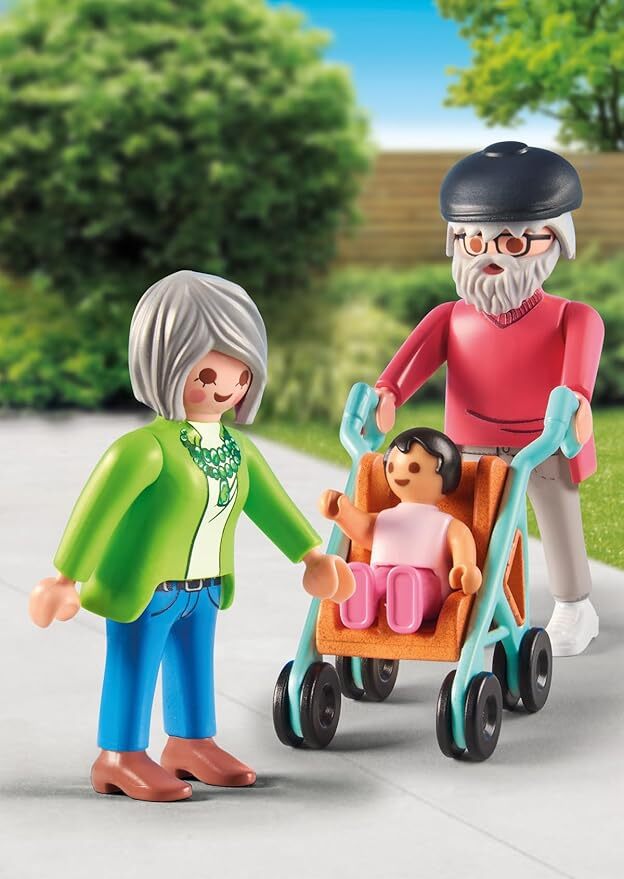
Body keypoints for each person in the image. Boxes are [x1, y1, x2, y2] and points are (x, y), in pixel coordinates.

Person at [28, 270, 353, 802]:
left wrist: (311, 556)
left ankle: (191, 742)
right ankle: (119, 755)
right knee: (134, 666)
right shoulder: (144, 449)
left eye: (240, 374)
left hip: (206, 587)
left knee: (194, 665)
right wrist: (66, 576)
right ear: (164, 365)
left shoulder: (236, 449)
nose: (225, 388)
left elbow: (271, 505)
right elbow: (97, 510)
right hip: (146, 590)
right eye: (206, 374)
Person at [374, 142, 604, 657]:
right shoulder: (450, 317)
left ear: (554, 239)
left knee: (557, 519)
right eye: (475, 241)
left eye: (513, 242)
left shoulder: (574, 317)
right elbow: (406, 367)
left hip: (543, 442)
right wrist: (387, 392)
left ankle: (574, 605)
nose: (490, 255)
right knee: (469, 527)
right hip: (467, 447)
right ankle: (471, 598)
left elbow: (577, 381)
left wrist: (575, 405)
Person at [319, 427, 481, 634]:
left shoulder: (447, 525)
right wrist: (342, 512)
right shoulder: (385, 517)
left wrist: (465, 568)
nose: (400, 474)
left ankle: (405, 607)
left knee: (410, 583)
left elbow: (462, 544)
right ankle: (360, 600)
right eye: (392, 467)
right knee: (370, 579)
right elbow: (364, 529)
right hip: (382, 573)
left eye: (414, 468)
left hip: (427, 582)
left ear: (446, 476)